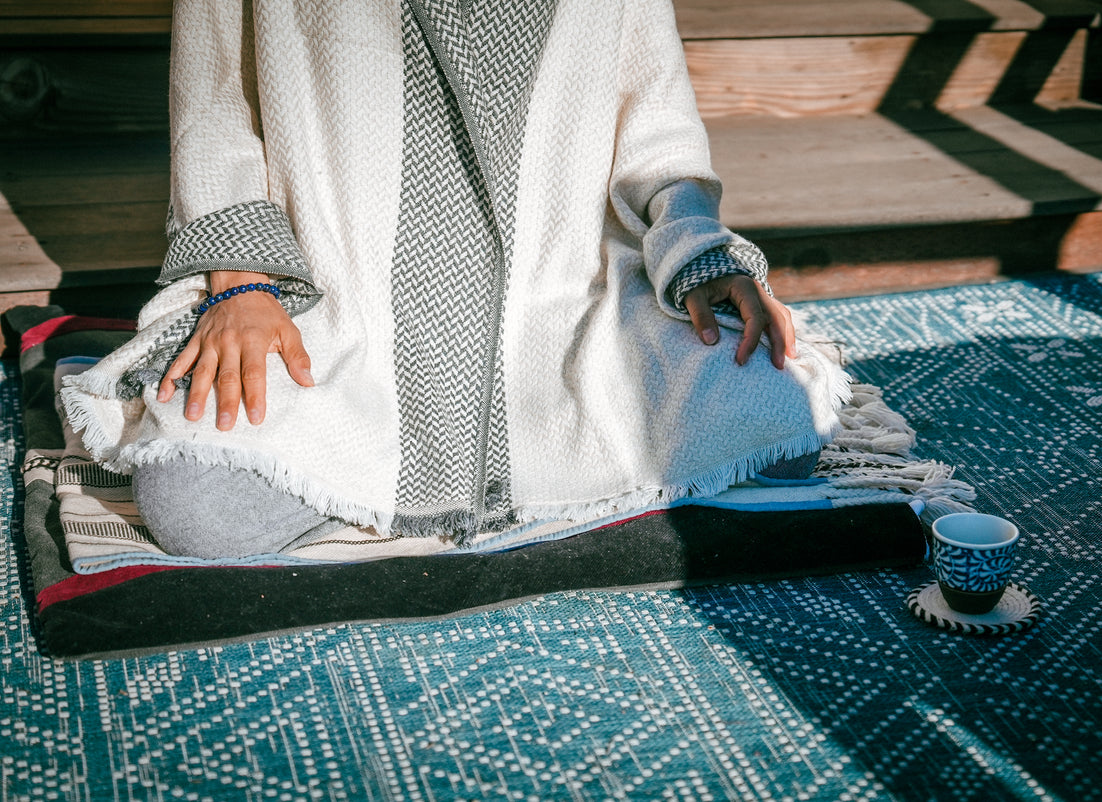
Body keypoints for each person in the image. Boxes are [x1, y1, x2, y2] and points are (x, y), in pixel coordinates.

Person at [61, 0, 850, 558]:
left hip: (564, 307)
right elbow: (217, 102)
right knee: (198, 504)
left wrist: (698, 252)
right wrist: (243, 283)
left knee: (783, 419)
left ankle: (391, 495)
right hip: (339, 305)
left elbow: (656, 129)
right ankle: (396, 473)